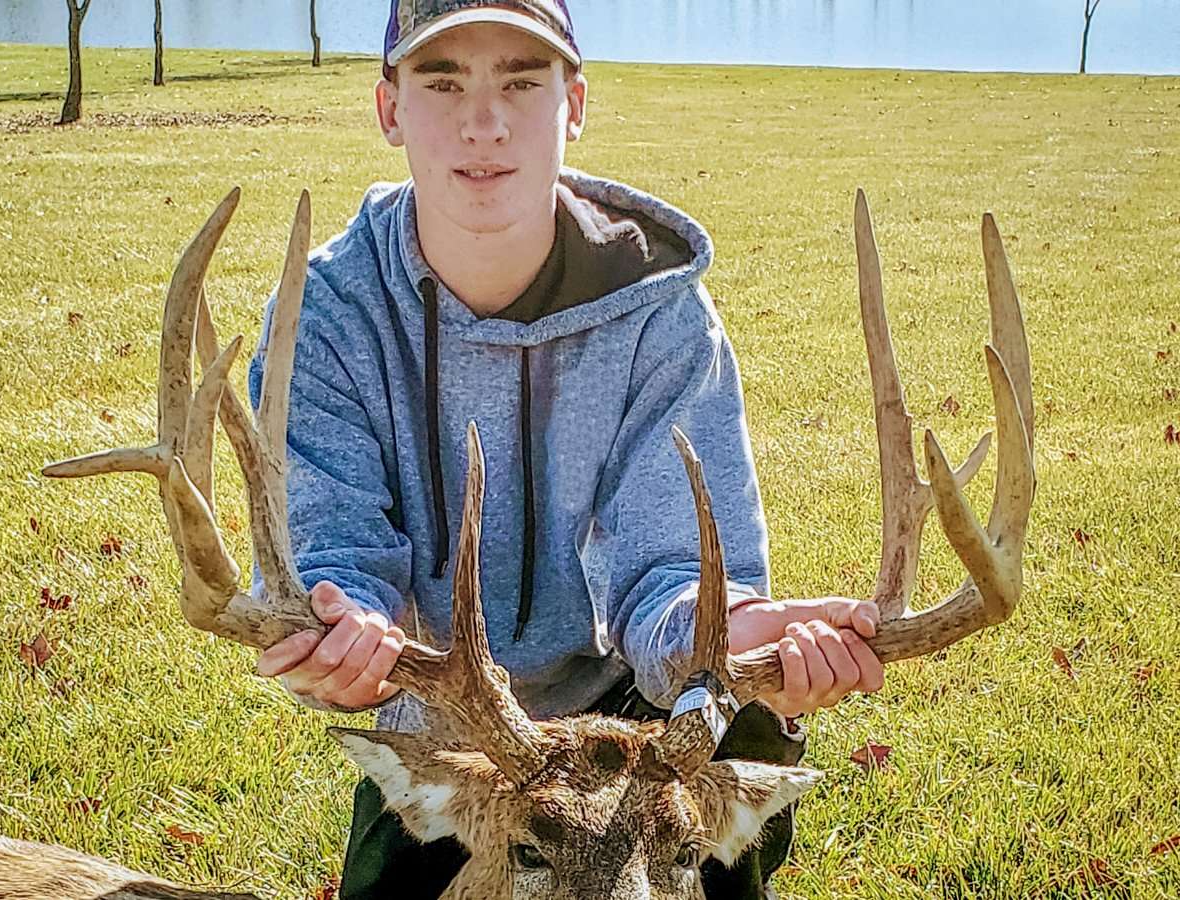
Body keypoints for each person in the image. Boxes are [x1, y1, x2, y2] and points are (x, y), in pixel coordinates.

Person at [249, 2, 885, 897]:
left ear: (573, 103)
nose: (484, 121)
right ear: (389, 108)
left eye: (521, 79)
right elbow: (336, 550)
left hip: (638, 724)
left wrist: (729, 631)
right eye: (443, 80)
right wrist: (346, 627)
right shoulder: (326, 318)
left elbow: (666, 569)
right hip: (456, 733)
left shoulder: (660, 317)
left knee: (739, 721)